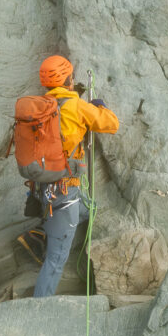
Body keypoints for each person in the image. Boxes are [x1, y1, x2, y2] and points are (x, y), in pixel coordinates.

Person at [28, 55, 119, 298]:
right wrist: (98, 105)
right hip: (63, 191)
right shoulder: (77, 106)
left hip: (40, 185)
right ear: (69, 78)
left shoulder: (38, 107)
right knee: (56, 260)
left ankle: (42, 231)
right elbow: (111, 124)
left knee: (89, 210)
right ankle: (38, 311)